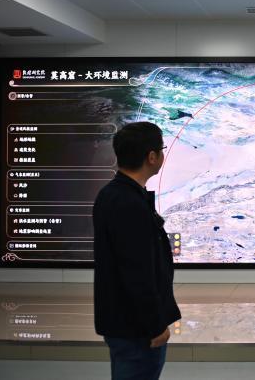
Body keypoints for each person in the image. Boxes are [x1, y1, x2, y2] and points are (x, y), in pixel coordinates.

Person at [93, 122, 181, 380]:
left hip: (125, 323)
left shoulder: (114, 195)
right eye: (162, 149)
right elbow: (137, 273)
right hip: (137, 329)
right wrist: (155, 326)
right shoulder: (129, 203)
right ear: (151, 157)